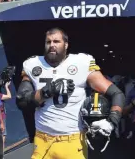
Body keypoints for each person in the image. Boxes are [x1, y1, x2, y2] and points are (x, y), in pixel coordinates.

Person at [16, 27, 125, 159]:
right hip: (42, 140)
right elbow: (22, 100)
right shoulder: (33, 64)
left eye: (56, 41)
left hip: (73, 140)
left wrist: (112, 121)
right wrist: (47, 91)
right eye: (48, 42)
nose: (52, 45)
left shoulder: (81, 63)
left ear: (66, 44)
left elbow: (117, 94)